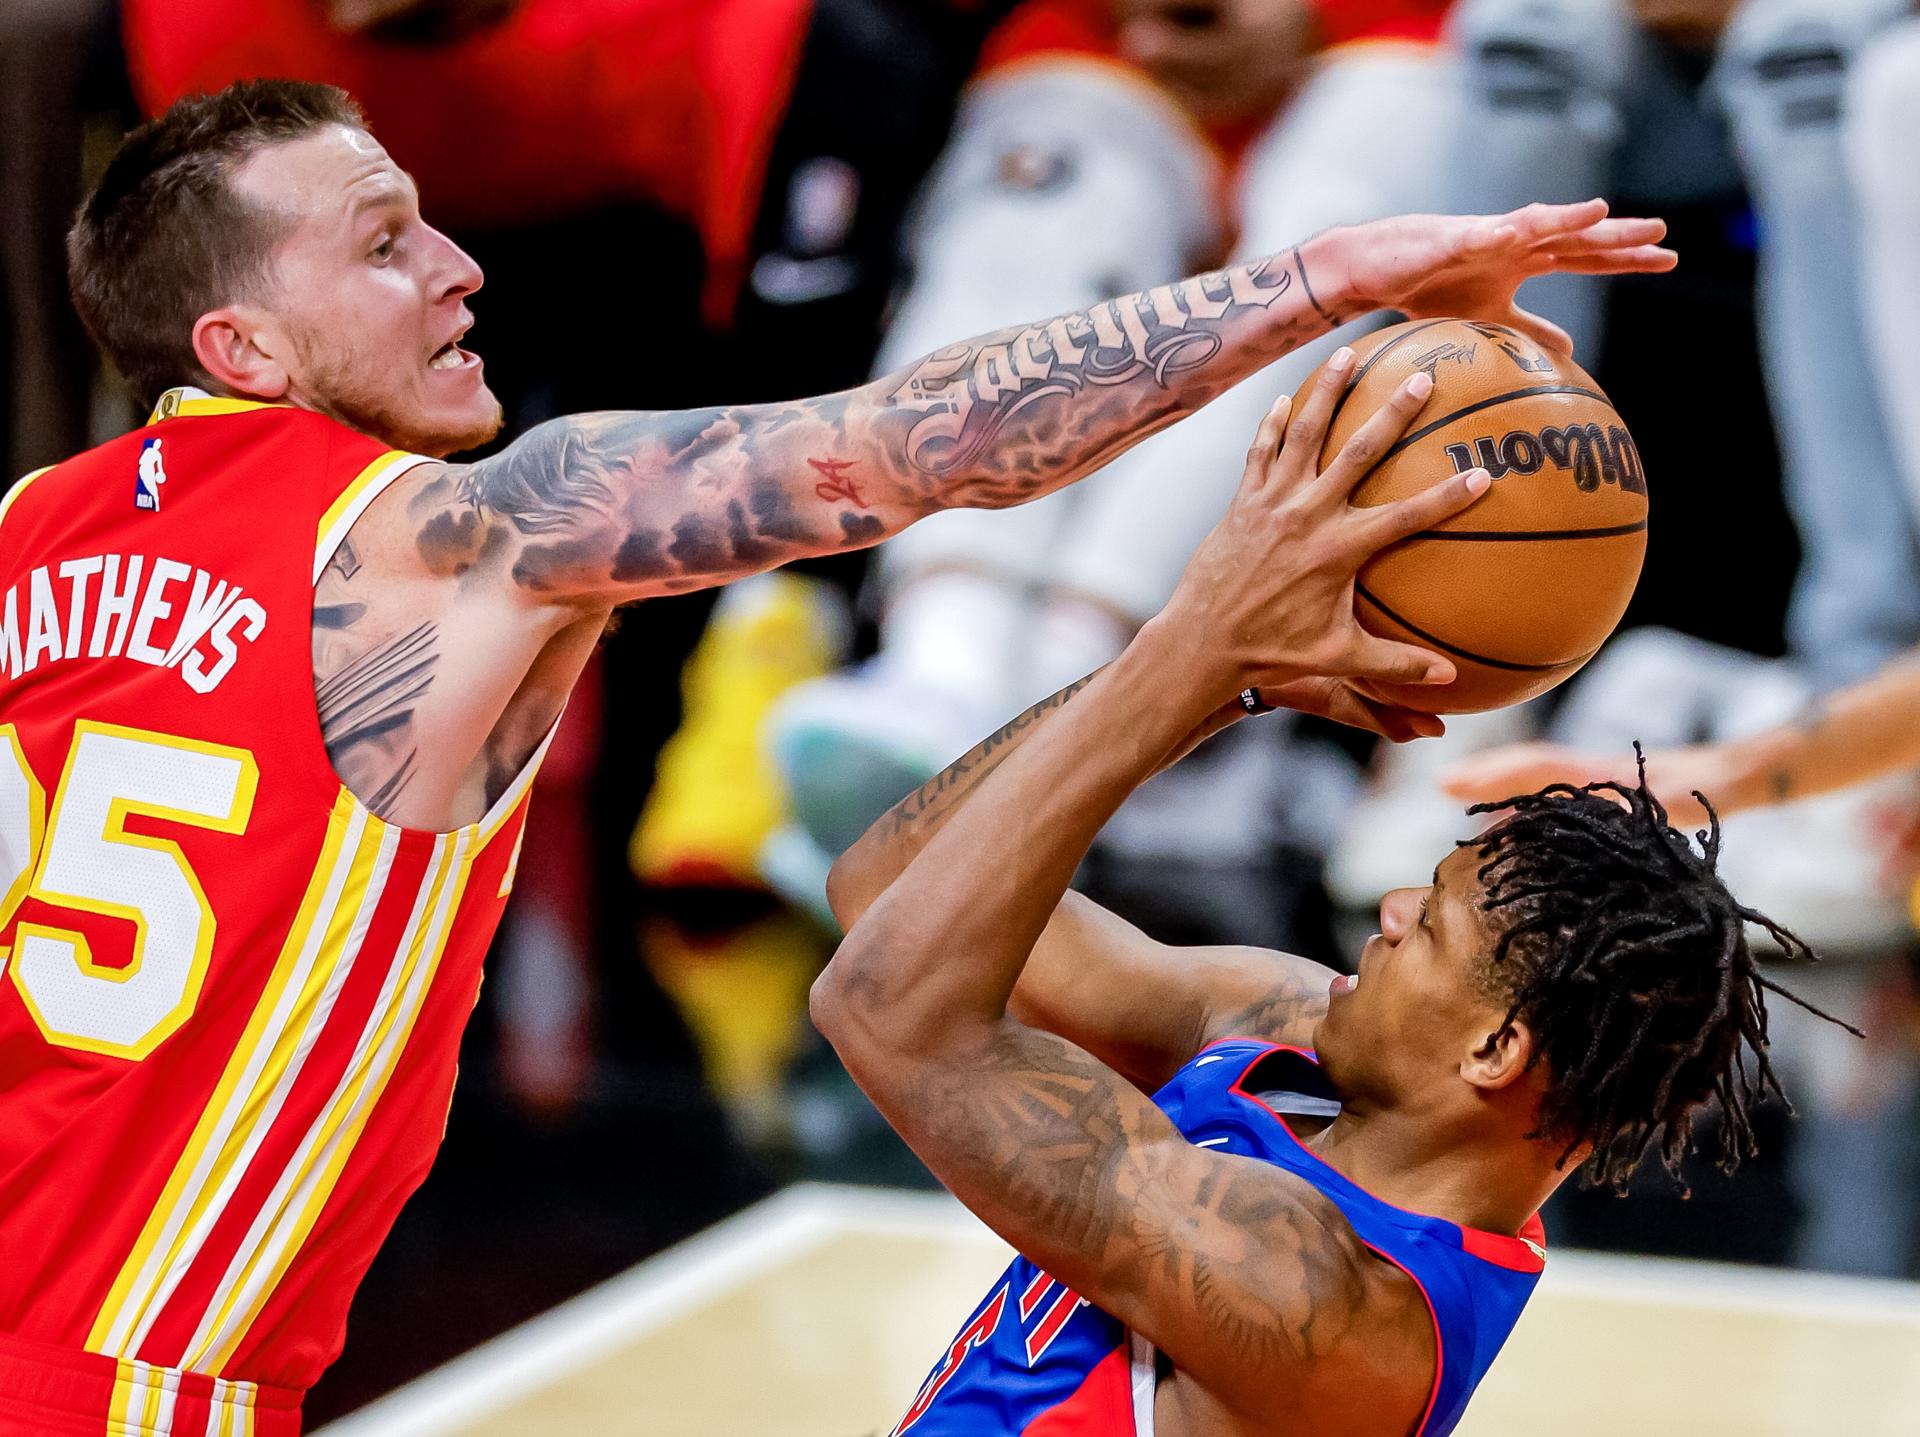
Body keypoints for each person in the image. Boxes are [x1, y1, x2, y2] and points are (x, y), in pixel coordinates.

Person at [0, 74, 1665, 1431]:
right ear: (246, 351)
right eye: (383, 244)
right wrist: (1324, 279)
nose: (459, 264)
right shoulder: (444, 544)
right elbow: (924, 440)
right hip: (125, 1381)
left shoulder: (23, 539)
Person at [811, 363, 1850, 1435]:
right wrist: (1220, 686)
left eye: (1431, 924)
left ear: (1495, 1048)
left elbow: (885, 1007)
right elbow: (888, 885)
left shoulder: (1329, 1309)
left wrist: (1191, 645)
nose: (1390, 910)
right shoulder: (1290, 1034)